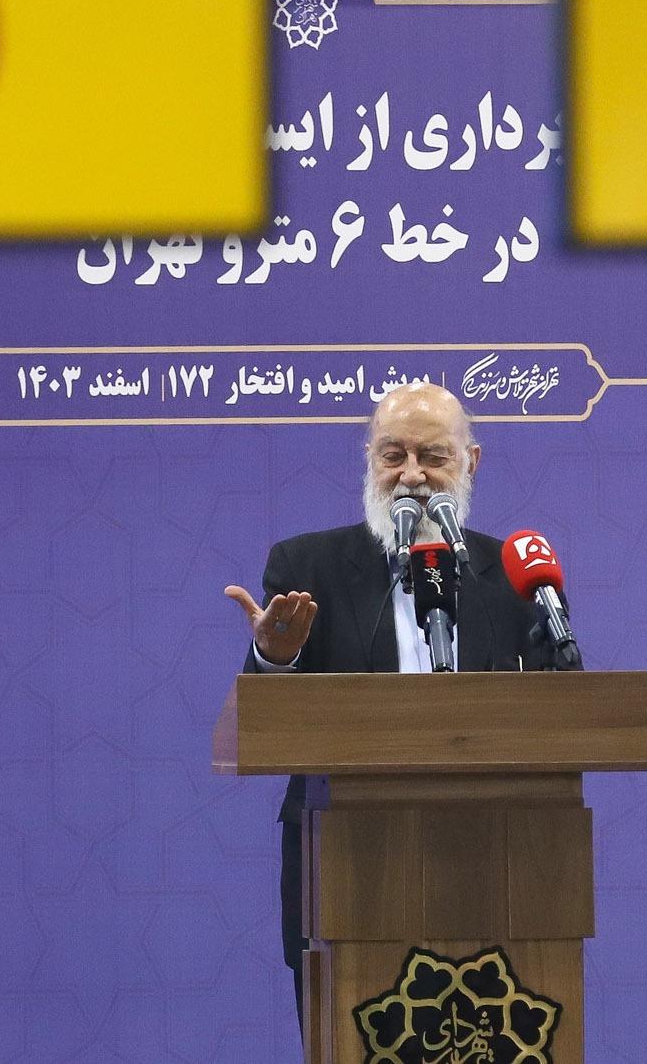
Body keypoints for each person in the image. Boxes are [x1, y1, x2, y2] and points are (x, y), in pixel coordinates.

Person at [221, 382, 553, 1028]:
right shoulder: (307, 566)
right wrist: (275, 658)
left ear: (471, 462)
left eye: (433, 456)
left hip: (498, 868)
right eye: (393, 455)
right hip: (346, 871)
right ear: (369, 460)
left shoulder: (512, 577)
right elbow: (266, 725)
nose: (412, 475)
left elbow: (558, 712)